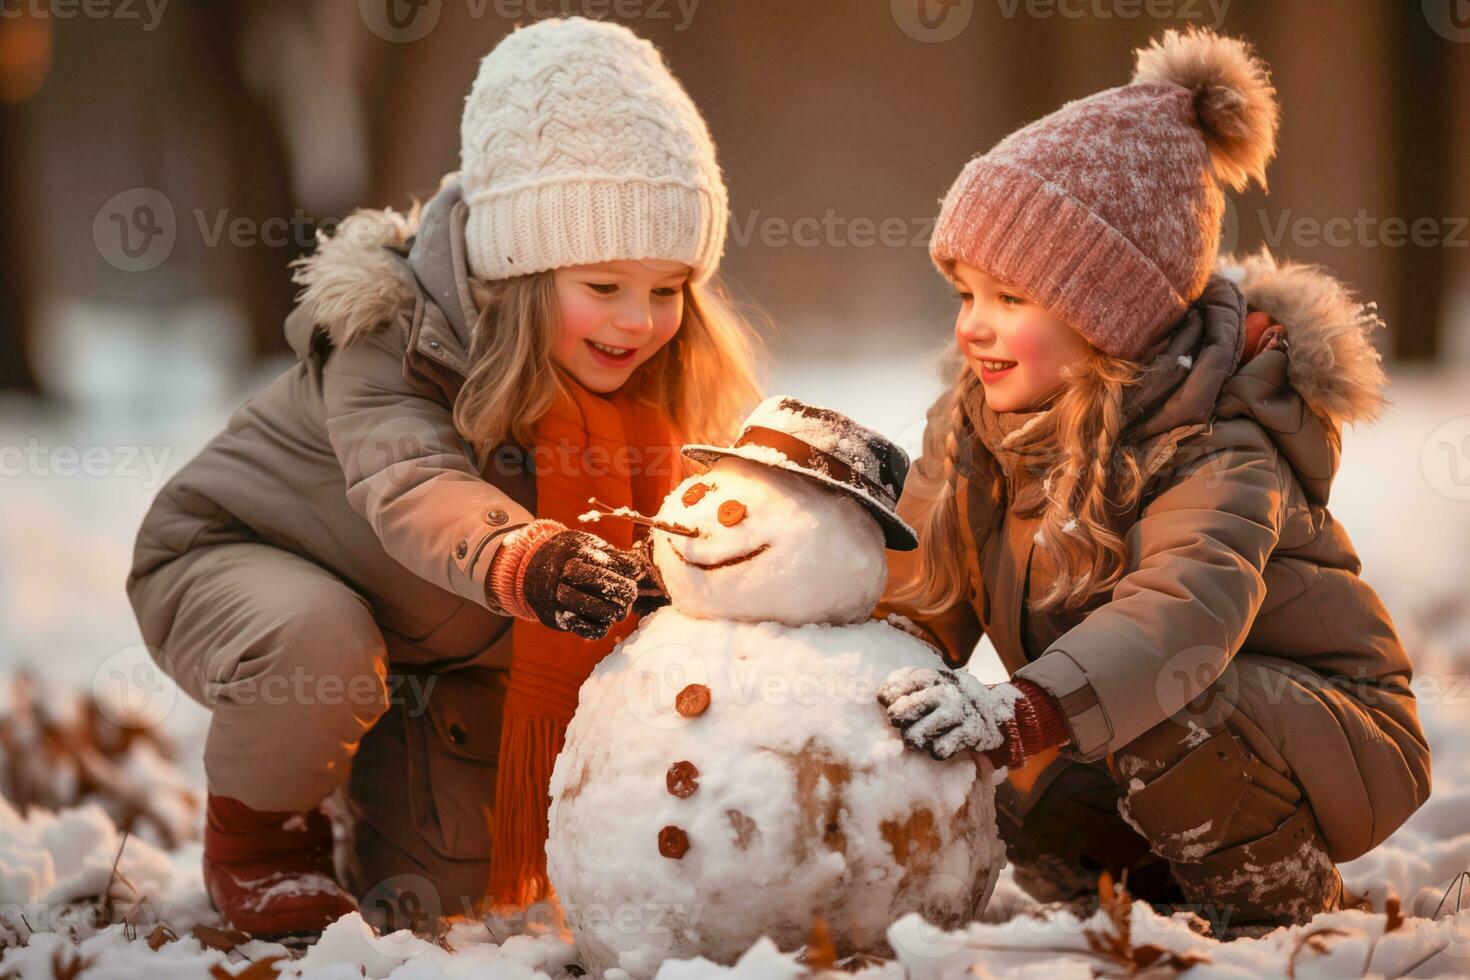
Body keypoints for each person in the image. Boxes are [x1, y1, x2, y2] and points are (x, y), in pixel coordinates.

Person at [124, 17, 762, 937]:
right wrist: (525, 555)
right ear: (519, 269)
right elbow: (414, 486)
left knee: (450, 890)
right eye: (605, 284)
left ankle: (361, 762)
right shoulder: (388, 339)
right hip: (240, 561)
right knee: (322, 644)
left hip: (440, 636)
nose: (641, 320)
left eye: (668, 288)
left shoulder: (645, 393)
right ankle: (263, 840)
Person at [877, 27, 1430, 937]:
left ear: (1110, 315)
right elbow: (916, 592)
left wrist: (1023, 708)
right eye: (964, 293)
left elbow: (1183, 610)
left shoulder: (1222, 439)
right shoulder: (980, 424)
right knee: (1007, 795)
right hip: (1140, 726)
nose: (973, 326)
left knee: (1159, 701)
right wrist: (852, 671)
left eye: (1011, 299)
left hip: (1327, 730)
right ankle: (1155, 886)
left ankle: (1283, 909)